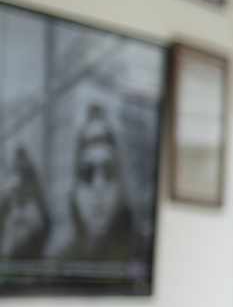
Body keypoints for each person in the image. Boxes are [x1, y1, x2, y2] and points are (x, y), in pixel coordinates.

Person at [60, 105, 142, 264]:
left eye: (109, 172)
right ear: (74, 190)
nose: (99, 187)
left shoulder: (138, 257)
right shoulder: (59, 264)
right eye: (88, 173)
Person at [0, 145, 52, 261]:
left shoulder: (35, 187)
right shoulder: (11, 188)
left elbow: (44, 219)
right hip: (13, 247)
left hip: (31, 246)